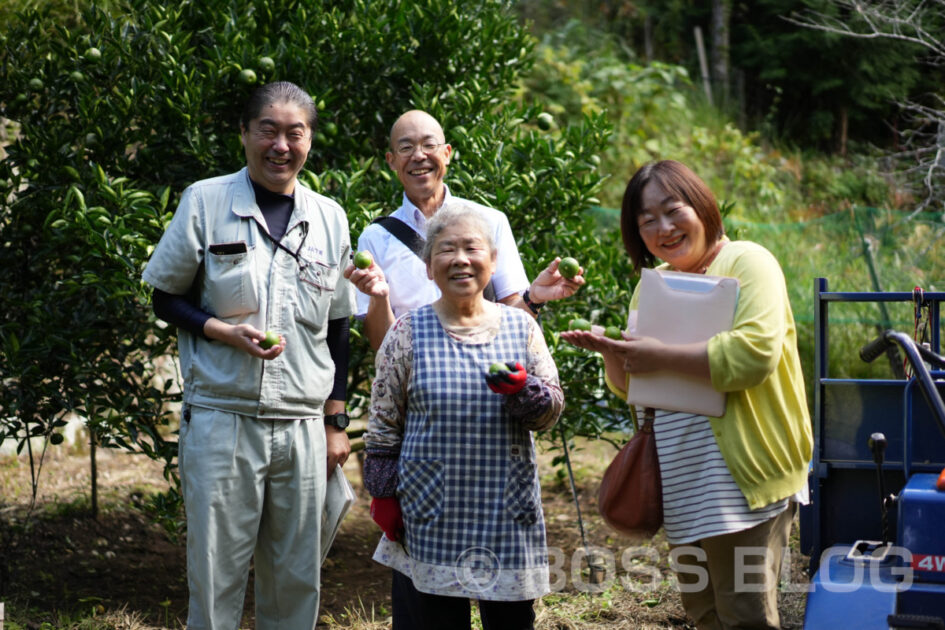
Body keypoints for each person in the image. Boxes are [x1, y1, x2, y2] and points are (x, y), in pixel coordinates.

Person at [561, 160, 812, 630]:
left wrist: (659, 355)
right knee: (705, 616)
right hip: (682, 482)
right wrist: (612, 353)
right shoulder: (651, 285)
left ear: (700, 204)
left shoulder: (747, 261)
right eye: (647, 221)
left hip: (741, 482)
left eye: (672, 210)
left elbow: (754, 354)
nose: (664, 228)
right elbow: (638, 386)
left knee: (745, 616)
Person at [142, 81, 357, 630]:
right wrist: (219, 330)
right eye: (269, 130)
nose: (281, 145)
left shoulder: (330, 217)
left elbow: (337, 326)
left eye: (295, 133)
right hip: (222, 416)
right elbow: (164, 296)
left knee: (296, 576)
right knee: (215, 575)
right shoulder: (207, 200)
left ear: (309, 141)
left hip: (302, 424)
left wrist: (337, 420)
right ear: (244, 134)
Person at [361, 203, 565, 630]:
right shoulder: (407, 332)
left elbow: (550, 411)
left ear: (492, 261)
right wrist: (383, 496)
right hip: (428, 515)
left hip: (506, 516)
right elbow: (383, 423)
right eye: (446, 250)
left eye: (472, 248)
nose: (460, 259)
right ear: (429, 266)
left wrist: (523, 392)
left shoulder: (521, 327)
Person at [344, 109, 584, 350]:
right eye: (406, 148)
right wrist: (379, 296)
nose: (419, 156)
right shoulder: (376, 237)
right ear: (391, 160)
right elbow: (381, 345)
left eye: (429, 144)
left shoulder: (490, 221)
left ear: (446, 154)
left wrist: (534, 298)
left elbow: (514, 322)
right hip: (415, 380)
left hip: (484, 376)